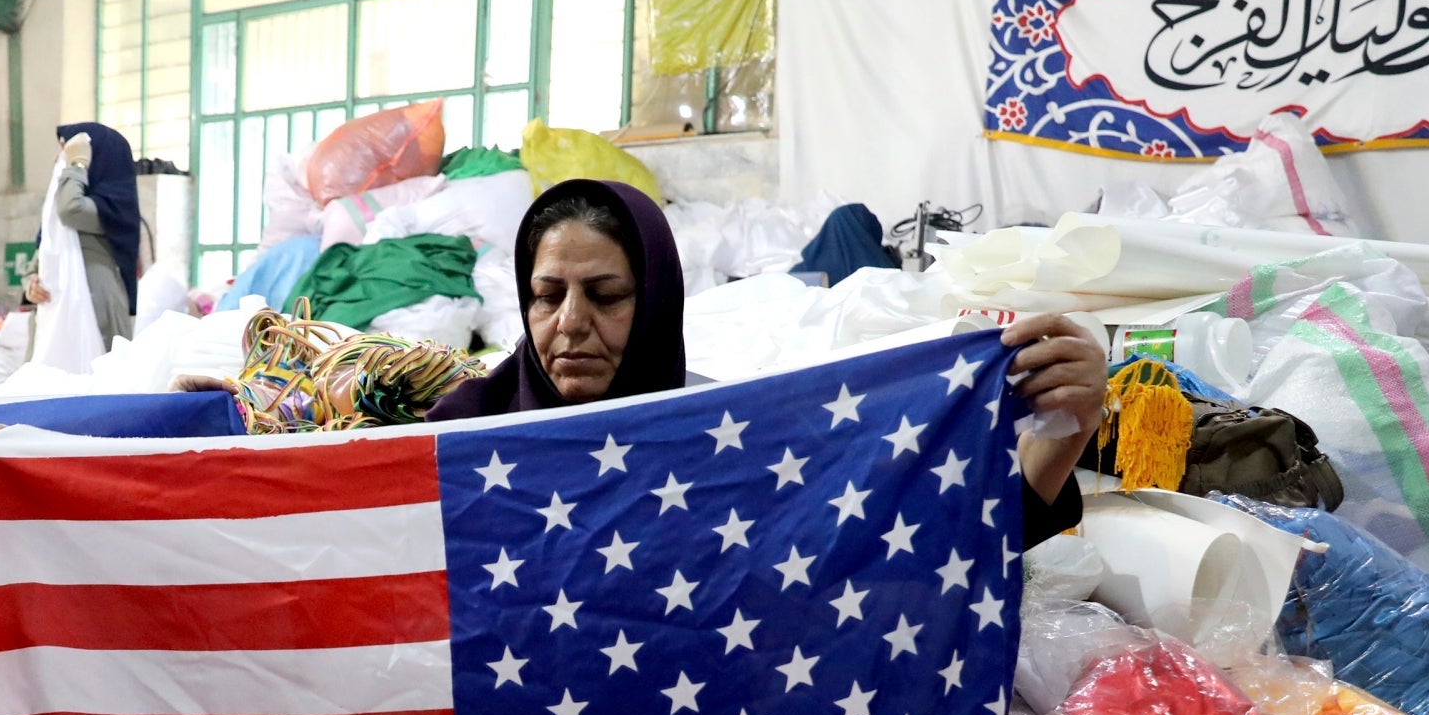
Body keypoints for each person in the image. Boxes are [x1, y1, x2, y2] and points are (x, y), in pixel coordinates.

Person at [425, 178, 1104, 545]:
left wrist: (1068, 429)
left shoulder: (725, 439)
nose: (570, 324)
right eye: (546, 297)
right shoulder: (456, 437)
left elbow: (930, 549)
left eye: (606, 296)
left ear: (659, 300)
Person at [46, 121, 141, 352]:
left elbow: (71, 210)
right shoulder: (62, 202)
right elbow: (45, 245)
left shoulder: (113, 209)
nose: (58, 158)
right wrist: (32, 282)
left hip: (96, 309)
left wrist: (77, 165)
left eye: (65, 149)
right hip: (58, 309)